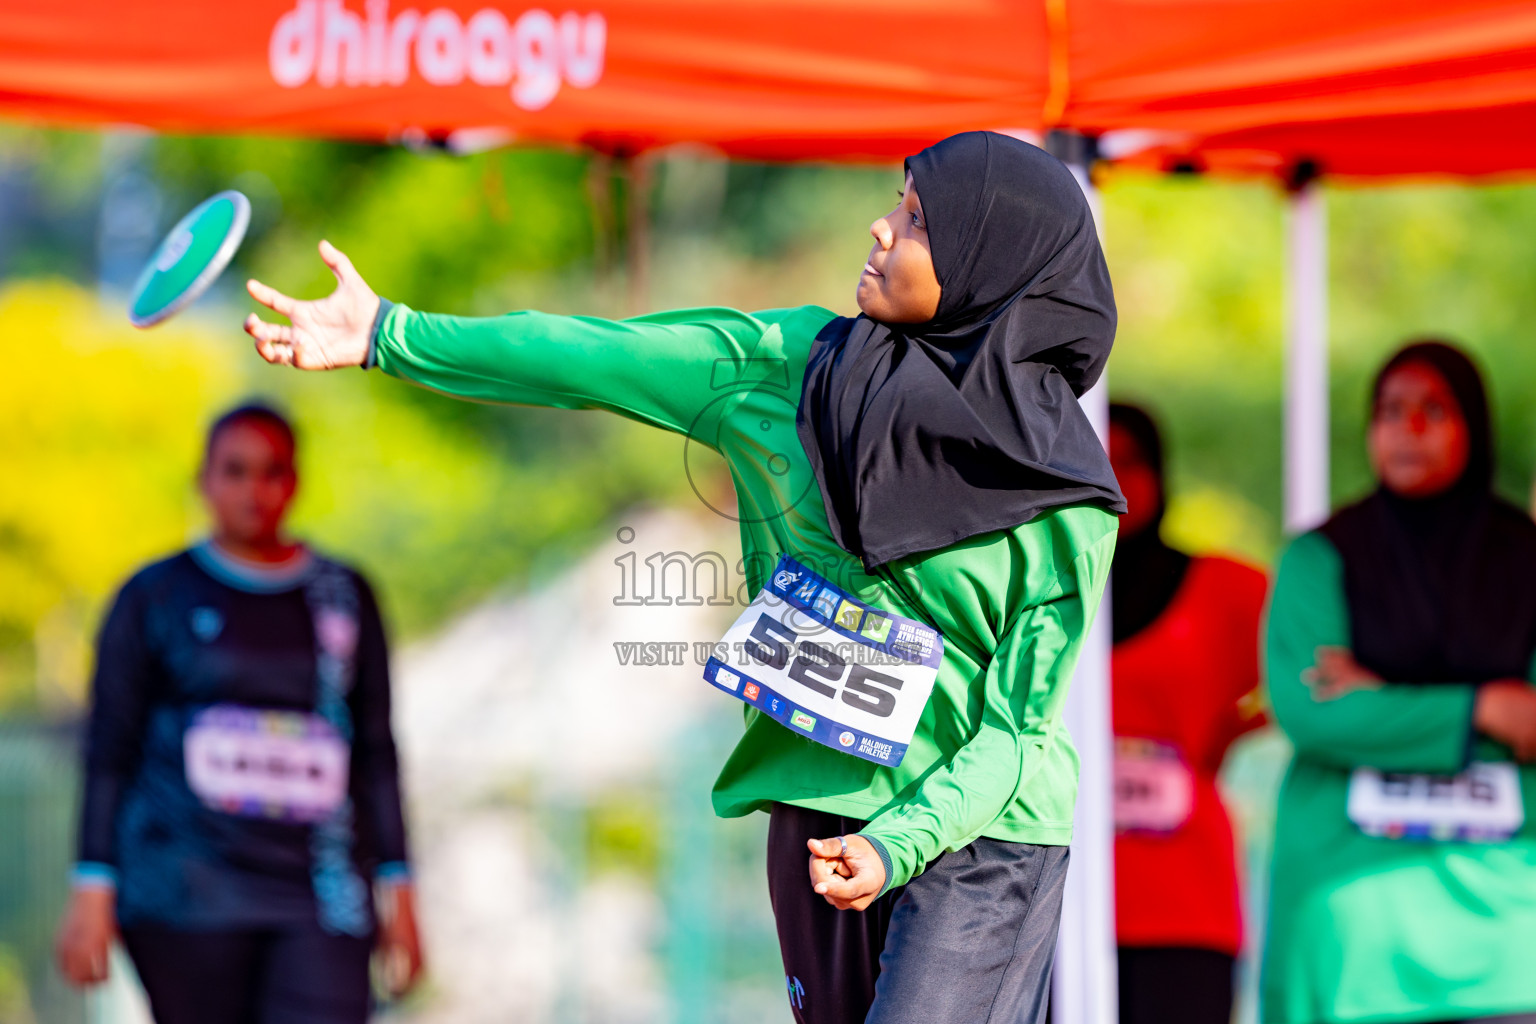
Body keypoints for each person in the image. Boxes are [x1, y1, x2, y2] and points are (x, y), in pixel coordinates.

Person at [242, 132, 1124, 1023]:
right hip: (816, 811)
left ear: (987, 264)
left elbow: (1017, 733)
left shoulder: (1067, 499)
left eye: (917, 219)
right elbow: (594, 357)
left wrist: (901, 843)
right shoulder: (792, 367)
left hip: (981, 840)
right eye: (896, 202)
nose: (881, 225)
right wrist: (389, 334)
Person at [54, 403, 423, 1023]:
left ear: (295, 482)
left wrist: (401, 890)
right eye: (235, 471)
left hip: (320, 898)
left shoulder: (342, 596)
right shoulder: (154, 597)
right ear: (205, 480)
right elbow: (109, 752)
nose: (255, 490)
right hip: (186, 900)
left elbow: (377, 752)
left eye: (272, 471)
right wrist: (92, 887)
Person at [1264, 341, 1536, 1024]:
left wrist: (1381, 698)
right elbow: (1312, 712)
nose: (1407, 431)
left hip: (1506, 916)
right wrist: (1483, 708)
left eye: (1434, 410)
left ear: (1474, 425)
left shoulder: (1527, 559)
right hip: (1352, 912)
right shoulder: (1319, 558)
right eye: (1390, 411)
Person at [1107, 403, 1267, 1024]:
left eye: (1130, 462)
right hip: (1054, 896)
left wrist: (1227, 732)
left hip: (1184, 900)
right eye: (1099, 461)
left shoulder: (1224, 590)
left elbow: (1306, 667)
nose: (1115, 480)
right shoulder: (1036, 588)